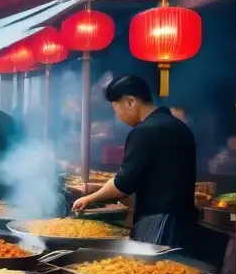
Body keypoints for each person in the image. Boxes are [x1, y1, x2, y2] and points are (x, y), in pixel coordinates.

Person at [73, 75, 197, 247]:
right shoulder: (179, 127)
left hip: (159, 222)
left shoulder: (144, 131)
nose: (117, 116)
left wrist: (89, 198)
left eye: (115, 109)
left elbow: (123, 185)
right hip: (185, 224)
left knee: (152, 271)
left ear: (130, 102)